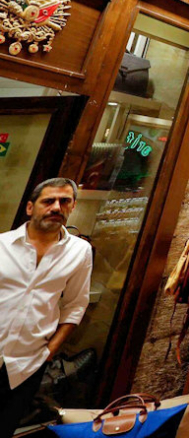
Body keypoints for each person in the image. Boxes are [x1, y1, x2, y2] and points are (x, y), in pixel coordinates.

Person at [0, 178, 92, 438]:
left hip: (28, 364)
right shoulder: (2, 245)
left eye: (64, 201)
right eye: (48, 201)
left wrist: (49, 352)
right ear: (30, 208)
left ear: (72, 206)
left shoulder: (80, 251)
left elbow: (75, 305)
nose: (56, 207)